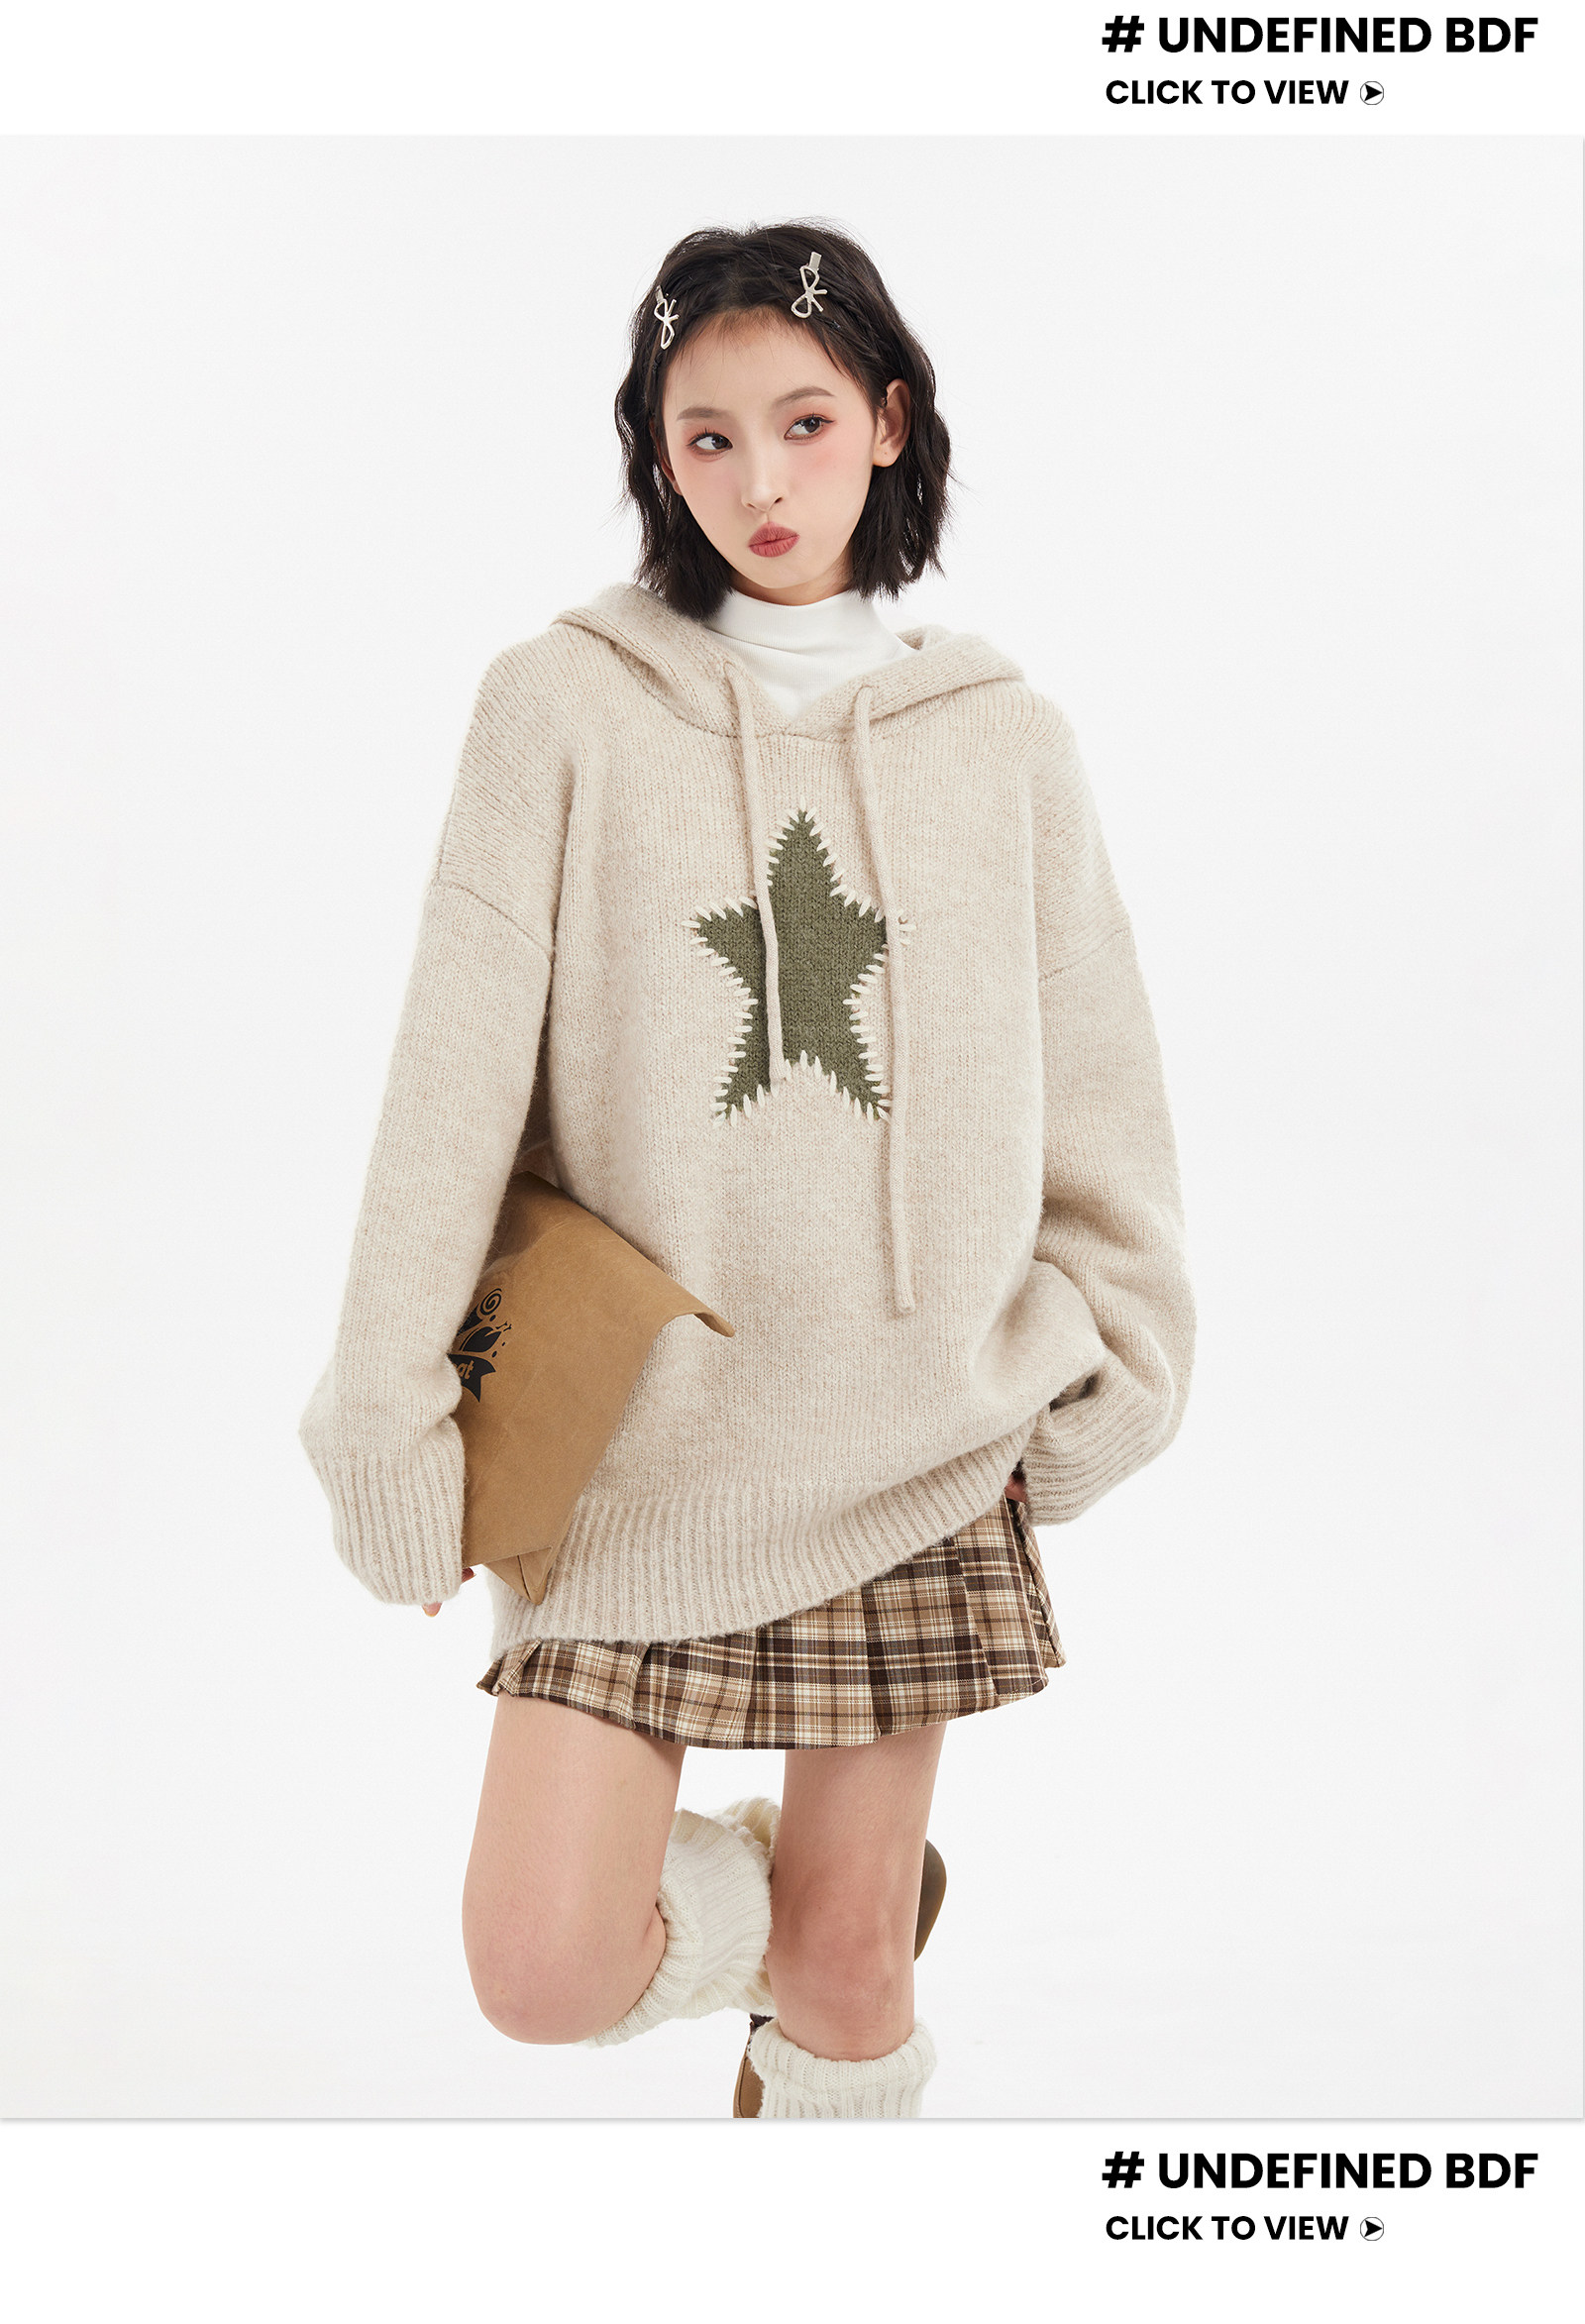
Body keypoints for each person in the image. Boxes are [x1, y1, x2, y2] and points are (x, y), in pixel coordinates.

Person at [299, 219, 1196, 2120]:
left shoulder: (1007, 743)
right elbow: (448, 1087)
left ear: (889, 422)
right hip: (641, 1448)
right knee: (542, 1969)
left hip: (919, 1440)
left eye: (804, 422)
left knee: (852, 1974)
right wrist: (384, 1413)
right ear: (657, 452)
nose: (761, 482)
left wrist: (1119, 1361)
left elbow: (1107, 1092)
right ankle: (804, 1914)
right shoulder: (558, 707)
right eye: (707, 438)